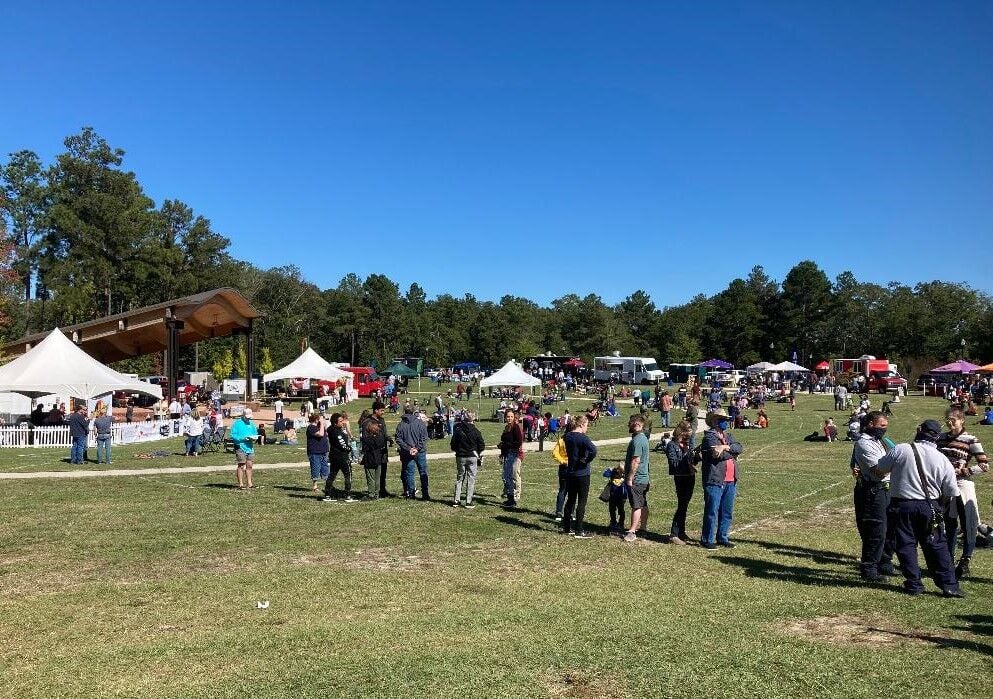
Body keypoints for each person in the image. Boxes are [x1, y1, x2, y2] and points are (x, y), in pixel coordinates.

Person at [872, 419, 963, 597]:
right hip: (930, 505)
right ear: (936, 437)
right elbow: (951, 490)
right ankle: (949, 585)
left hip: (902, 504)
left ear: (919, 430)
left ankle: (914, 584)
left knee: (905, 545)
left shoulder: (901, 449)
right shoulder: (942, 459)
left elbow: (880, 469)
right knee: (937, 545)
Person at [938, 408, 988, 579]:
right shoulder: (941, 438)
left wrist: (964, 471)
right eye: (947, 419)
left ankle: (965, 560)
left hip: (962, 484)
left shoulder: (971, 439)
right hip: (944, 485)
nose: (949, 422)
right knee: (949, 523)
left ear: (961, 421)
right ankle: (949, 561)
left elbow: (983, 465)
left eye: (953, 419)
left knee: (969, 523)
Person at [850, 410, 896, 581]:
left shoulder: (882, 441)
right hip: (873, 490)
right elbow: (879, 471)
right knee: (875, 530)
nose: (884, 429)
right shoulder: (864, 443)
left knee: (890, 529)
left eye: (885, 426)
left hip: (887, 489)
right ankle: (869, 569)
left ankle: (885, 562)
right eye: (881, 426)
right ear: (870, 424)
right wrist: (898, 466)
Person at [700, 408, 743, 550]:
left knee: (726, 511)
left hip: (731, 479)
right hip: (715, 479)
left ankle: (722, 537)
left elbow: (739, 447)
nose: (725, 422)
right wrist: (732, 452)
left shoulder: (728, 436)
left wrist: (724, 446)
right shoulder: (709, 437)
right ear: (714, 421)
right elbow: (717, 455)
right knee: (712, 510)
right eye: (722, 419)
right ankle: (707, 539)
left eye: (725, 419)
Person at [562, 414, 597, 538]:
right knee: (582, 501)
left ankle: (567, 527)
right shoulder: (583, 438)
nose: (587, 428)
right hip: (582, 473)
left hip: (570, 472)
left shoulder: (567, 436)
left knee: (570, 499)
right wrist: (587, 460)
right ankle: (579, 530)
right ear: (582, 425)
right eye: (587, 425)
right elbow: (593, 450)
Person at [666, 420, 696, 544]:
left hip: (690, 475)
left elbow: (692, 459)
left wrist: (695, 457)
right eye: (688, 432)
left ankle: (681, 532)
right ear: (681, 432)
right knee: (682, 504)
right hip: (680, 476)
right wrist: (686, 458)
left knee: (685, 505)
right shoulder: (672, 445)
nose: (690, 435)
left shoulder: (687, 444)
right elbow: (674, 463)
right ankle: (674, 534)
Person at [623, 414, 651, 542]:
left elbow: (636, 461)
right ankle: (643, 528)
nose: (629, 425)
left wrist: (629, 478)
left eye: (631, 423)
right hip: (643, 478)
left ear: (638, 425)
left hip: (637, 479)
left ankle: (632, 531)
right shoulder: (642, 438)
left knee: (636, 505)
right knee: (643, 503)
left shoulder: (638, 440)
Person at [450, 411, 485, 508]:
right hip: (472, 456)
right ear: (473, 419)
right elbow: (482, 445)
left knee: (460, 477)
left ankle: (456, 500)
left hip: (460, 456)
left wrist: (458, 450)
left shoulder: (458, 430)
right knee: (471, 478)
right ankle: (468, 501)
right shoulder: (476, 431)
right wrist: (477, 451)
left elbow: (453, 444)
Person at [395, 406, 430, 500]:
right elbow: (424, 437)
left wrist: (408, 448)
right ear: (414, 412)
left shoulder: (401, 425)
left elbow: (398, 439)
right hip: (420, 452)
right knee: (423, 472)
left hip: (408, 452)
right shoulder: (420, 423)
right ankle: (425, 494)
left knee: (410, 473)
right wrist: (417, 448)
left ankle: (411, 493)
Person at [324, 413, 356, 502]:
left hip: (333, 455)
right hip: (342, 456)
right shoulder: (337, 432)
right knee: (347, 475)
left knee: (332, 475)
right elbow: (342, 444)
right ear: (335, 423)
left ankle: (327, 494)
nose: (343, 423)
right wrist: (349, 448)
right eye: (340, 421)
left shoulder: (331, 429)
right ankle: (348, 495)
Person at [365, 401, 394, 496]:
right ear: (375, 410)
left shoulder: (382, 420)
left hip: (383, 450)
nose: (383, 412)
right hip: (373, 451)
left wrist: (389, 439)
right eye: (381, 411)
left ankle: (382, 489)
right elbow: (365, 438)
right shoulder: (368, 421)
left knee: (383, 470)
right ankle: (373, 492)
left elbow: (384, 434)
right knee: (374, 472)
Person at [499, 409, 525, 507]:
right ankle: (510, 497)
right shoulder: (507, 427)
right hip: (507, 454)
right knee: (506, 476)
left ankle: (513, 498)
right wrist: (502, 449)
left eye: (511, 417)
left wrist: (506, 445)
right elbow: (505, 441)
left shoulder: (516, 427)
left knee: (512, 475)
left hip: (514, 454)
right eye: (508, 417)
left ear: (514, 418)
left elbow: (518, 442)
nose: (509, 418)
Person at [229, 408, 258, 489]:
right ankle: (240, 484)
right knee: (241, 465)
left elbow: (255, 433)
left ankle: (250, 483)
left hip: (250, 447)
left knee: (249, 465)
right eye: (247, 417)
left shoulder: (251, 423)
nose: (248, 418)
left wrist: (254, 438)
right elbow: (233, 435)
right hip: (240, 446)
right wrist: (242, 439)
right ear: (243, 415)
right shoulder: (237, 423)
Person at [360, 418, 389, 500]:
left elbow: (364, 449)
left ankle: (371, 494)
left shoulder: (366, 439)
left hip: (369, 460)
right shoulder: (380, 439)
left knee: (371, 478)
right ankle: (376, 493)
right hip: (378, 459)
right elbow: (382, 446)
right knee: (377, 478)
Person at [306, 414, 330, 492]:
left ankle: (328, 485)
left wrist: (324, 423)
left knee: (325, 468)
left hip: (323, 451)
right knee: (316, 468)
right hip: (315, 452)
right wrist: (322, 423)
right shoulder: (311, 427)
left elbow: (327, 433)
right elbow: (321, 434)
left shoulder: (320, 427)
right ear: (316, 420)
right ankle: (315, 486)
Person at [602, 464, 627, 534]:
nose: (621, 474)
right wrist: (609, 470)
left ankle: (621, 523)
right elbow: (605, 474)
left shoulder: (625, 475)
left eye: (623, 473)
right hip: (612, 495)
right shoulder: (613, 472)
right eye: (621, 472)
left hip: (622, 496)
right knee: (612, 509)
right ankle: (613, 521)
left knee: (621, 510)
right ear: (617, 470)